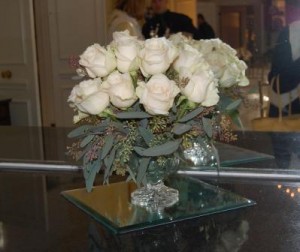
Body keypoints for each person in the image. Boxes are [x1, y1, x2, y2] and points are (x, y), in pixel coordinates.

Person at [268, 0, 300, 169]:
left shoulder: (288, 32)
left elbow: (276, 71)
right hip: (290, 103)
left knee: (282, 157)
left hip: (286, 105)